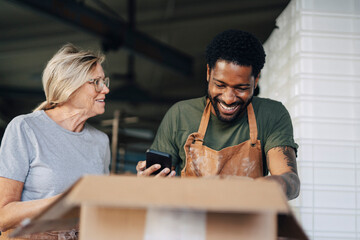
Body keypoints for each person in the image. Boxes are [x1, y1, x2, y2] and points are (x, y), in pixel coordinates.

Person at [136, 29, 300, 200]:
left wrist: (252, 188)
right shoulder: (180, 115)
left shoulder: (272, 114)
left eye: (241, 88)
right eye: (220, 85)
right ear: (208, 73)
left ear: (256, 79)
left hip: (249, 223)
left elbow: (291, 181)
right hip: (191, 222)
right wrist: (149, 181)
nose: (228, 99)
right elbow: (154, 189)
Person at [0, 44, 111, 236]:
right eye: (96, 82)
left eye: (104, 81)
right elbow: (3, 216)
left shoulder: (101, 141)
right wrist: (66, 200)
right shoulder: (25, 128)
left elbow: (101, 208)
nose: (106, 90)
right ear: (70, 86)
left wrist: (134, 187)